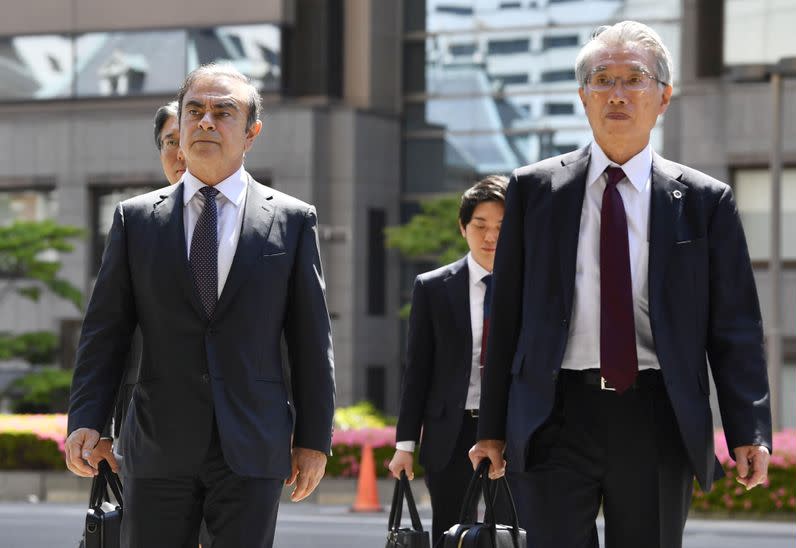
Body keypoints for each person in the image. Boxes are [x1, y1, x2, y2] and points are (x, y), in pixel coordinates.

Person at [470, 21, 772, 548]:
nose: (617, 93)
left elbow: (735, 327)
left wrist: (748, 430)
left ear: (663, 98)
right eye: (601, 79)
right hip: (553, 415)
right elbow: (506, 316)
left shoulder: (705, 201)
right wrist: (492, 426)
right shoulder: (533, 191)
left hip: (657, 414)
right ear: (583, 98)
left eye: (634, 79)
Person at [66, 63, 335, 548]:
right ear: (182, 125)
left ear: (251, 133)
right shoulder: (137, 220)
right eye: (195, 110)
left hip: (253, 442)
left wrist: (314, 440)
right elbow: (105, 330)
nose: (206, 121)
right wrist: (88, 419)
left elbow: (311, 340)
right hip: (157, 443)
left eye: (223, 112)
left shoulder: (293, 221)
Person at [388, 176, 507, 545]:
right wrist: (405, 445)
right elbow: (417, 369)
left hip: (510, 435)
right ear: (463, 227)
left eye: (502, 228)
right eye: (480, 226)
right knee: (450, 534)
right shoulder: (433, 287)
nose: (490, 237)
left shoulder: (529, 287)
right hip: (449, 434)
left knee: (510, 536)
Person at [87, 101, 186, 471]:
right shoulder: (136, 222)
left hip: (236, 436)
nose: (179, 152)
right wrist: (97, 426)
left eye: (186, 138)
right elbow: (108, 332)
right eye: (168, 141)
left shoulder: (255, 218)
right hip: (145, 426)